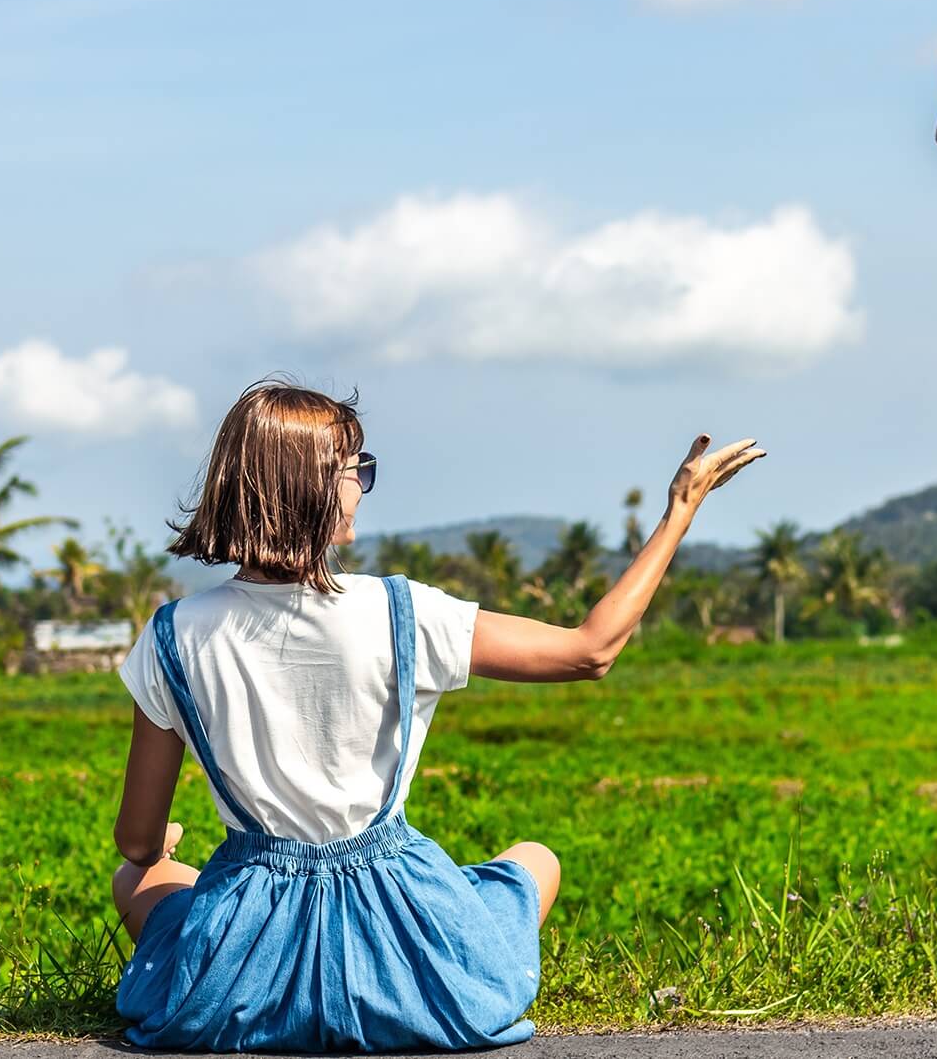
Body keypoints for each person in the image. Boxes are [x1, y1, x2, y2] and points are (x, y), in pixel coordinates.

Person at [109, 378, 765, 1052]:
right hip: (409, 963)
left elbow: (135, 841)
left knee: (144, 877)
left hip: (241, 986)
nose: (360, 485)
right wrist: (679, 512)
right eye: (352, 469)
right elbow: (590, 651)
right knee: (534, 859)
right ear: (309, 486)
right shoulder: (404, 613)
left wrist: (160, 851)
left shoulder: (172, 636)